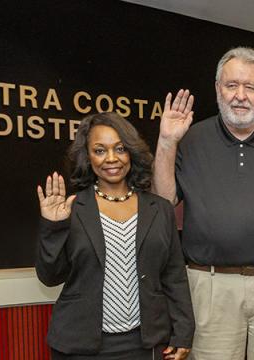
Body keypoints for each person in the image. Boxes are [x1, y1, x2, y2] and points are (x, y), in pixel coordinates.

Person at [152, 47, 254, 360]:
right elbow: (163, 201)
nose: (240, 95)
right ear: (217, 89)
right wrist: (166, 142)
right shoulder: (190, 140)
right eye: (231, 85)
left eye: (250, 87)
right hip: (211, 287)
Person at [35, 112, 193, 360]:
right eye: (99, 150)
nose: (111, 158)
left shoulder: (159, 209)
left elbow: (174, 276)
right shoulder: (73, 208)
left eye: (120, 148)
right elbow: (50, 276)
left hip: (145, 344)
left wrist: (183, 333)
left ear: (131, 151)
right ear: (88, 156)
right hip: (81, 346)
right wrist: (54, 227)